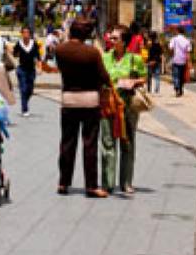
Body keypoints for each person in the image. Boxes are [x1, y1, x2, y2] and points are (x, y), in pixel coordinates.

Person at [55, 18, 111, 198]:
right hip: (89, 100)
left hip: (69, 99)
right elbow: (104, 77)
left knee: (67, 142)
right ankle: (91, 186)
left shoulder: (60, 50)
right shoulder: (92, 52)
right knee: (90, 144)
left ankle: (63, 182)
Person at [101, 31, 147, 195]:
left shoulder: (135, 59)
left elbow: (143, 78)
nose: (111, 40)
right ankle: (107, 183)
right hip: (108, 104)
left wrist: (131, 82)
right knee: (107, 142)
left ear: (124, 41)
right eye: (110, 37)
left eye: (115, 38)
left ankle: (126, 182)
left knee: (127, 144)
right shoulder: (105, 57)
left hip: (127, 106)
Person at [13, 26, 40, 117]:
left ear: (30, 34)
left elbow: (37, 57)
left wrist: (39, 67)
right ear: (21, 34)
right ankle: (25, 109)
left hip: (31, 70)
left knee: (30, 90)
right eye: (24, 32)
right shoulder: (19, 43)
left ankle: (25, 101)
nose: (26, 34)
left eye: (27, 32)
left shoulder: (34, 44)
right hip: (21, 69)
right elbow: (15, 54)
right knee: (23, 89)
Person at [169, 26, 191, 97]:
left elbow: (171, 48)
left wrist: (172, 54)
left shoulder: (174, 39)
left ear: (177, 31)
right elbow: (188, 52)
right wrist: (189, 61)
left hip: (175, 59)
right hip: (183, 60)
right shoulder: (187, 40)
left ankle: (177, 88)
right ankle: (181, 89)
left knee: (176, 75)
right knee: (181, 76)